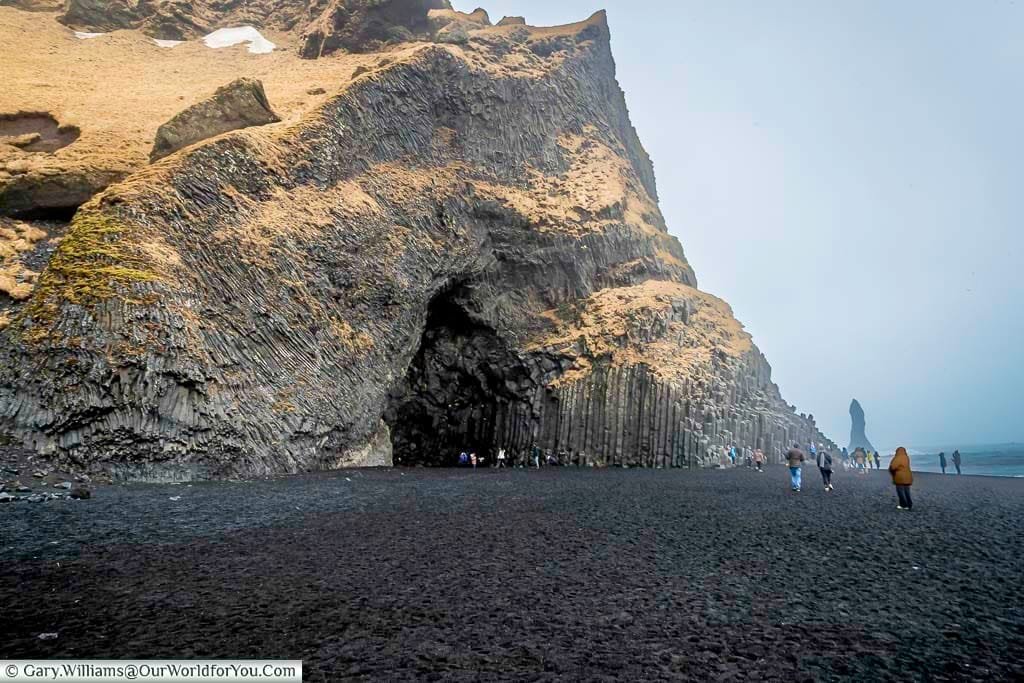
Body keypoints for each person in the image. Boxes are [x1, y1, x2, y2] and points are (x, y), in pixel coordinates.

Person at [888, 446, 914, 510]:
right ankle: (909, 504)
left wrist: (891, 472)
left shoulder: (897, 458)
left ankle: (903, 505)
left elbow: (893, 467)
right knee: (907, 491)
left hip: (899, 477)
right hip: (908, 476)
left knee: (900, 492)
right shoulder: (907, 457)